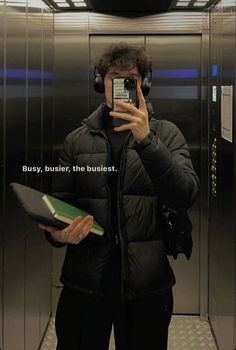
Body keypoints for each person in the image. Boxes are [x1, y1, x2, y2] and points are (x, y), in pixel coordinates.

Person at [40, 42, 199, 350]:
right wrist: (58, 234)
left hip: (147, 286)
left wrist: (147, 141)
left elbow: (185, 195)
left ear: (145, 84)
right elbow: (60, 206)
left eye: (131, 79)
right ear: (101, 82)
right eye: (114, 77)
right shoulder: (76, 140)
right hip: (84, 284)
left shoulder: (166, 135)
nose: (122, 86)